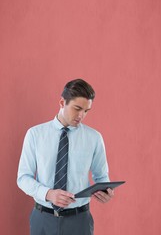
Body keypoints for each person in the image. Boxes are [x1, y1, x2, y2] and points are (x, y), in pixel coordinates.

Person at [17, 78, 113, 235]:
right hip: (42, 219)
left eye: (86, 111)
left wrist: (106, 191)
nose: (81, 115)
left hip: (79, 220)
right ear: (62, 103)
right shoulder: (35, 134)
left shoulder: (94, 138)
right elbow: (23, 178)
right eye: (77, 108)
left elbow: (102, 177)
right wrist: (48, 194)